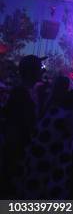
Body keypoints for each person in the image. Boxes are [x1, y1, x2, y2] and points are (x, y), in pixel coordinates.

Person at [2, 55, 40, 196]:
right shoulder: (20, 93)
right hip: (19, 151)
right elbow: (16, 125)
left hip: (22, 150)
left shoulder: (28, 92)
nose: (42, 71)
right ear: (32, 72)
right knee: (16, 190)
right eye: (39, 68)